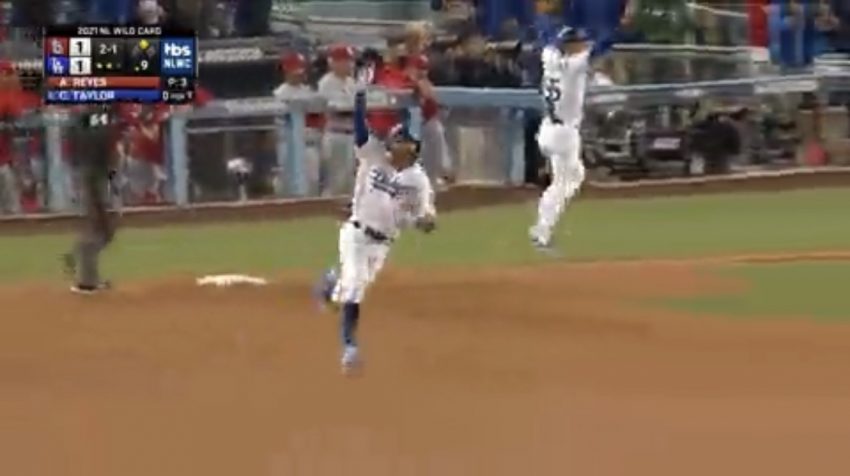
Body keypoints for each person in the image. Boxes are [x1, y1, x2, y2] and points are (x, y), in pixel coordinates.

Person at [315, 85, 437, 375]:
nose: (402, 148)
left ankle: (329, 287)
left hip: (382, 245)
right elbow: (360, 131)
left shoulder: (418, 181)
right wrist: (359, 98)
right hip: (356, 234)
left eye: (407, 145)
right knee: (355, 284)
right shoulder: (373, 156)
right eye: (399, 143)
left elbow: (425, 215)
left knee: (348, 291)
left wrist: (426, 222)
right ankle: (350, 349)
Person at [529, 26, 615, 252]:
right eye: (580, 42)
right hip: (564, 133)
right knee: (563, 184)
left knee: (573, 177)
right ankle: (541, 232)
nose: (584, 45)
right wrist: (621, 21)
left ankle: (542, 228)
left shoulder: (549, 57)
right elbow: (604, 44)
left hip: (547, 128)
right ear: (571, 46)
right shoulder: (575, 64)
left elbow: (545, 37)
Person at [63, 104, 121, 294]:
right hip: (96, 175)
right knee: (102, 226)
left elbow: (73, 143)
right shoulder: (98, 120)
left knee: (103, 226)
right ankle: (87, 280)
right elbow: (103, 146)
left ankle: (84, 270)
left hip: (91, 173)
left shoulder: (85, 119)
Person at [274, 52, 324, 194]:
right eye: (293, 71)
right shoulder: (279, 94)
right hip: (288, 144)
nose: (297, 75)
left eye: (300, 71)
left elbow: (319, 117)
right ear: (285, 72)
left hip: (310, 143)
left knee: (312, 183)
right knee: (289, 185)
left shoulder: (309, 92)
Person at [317, 44, 357, 196]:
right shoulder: (326, 82)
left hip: (351, 134)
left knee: (350, 180)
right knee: (335, 181)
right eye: (344, 60)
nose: (349, 64)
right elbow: (335, 108)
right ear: (333, 63)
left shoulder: (352, 82)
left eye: (350, 60)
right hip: (335, 134)